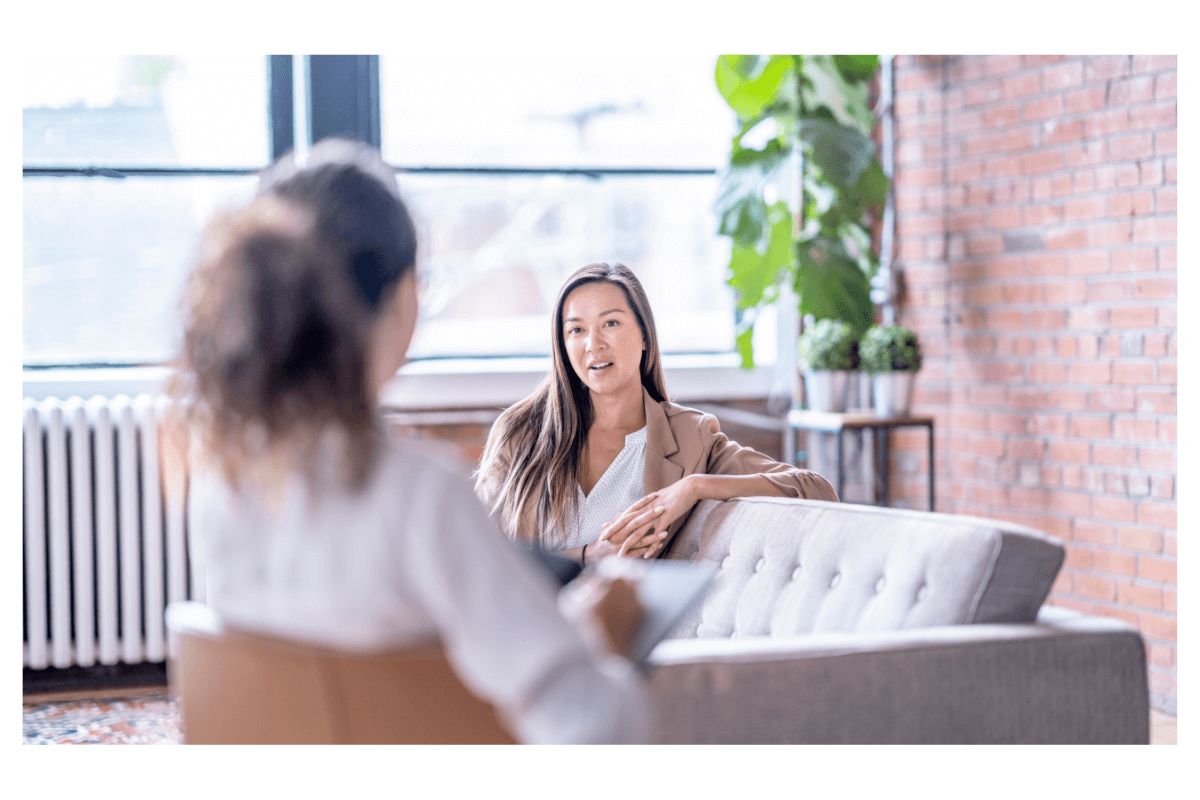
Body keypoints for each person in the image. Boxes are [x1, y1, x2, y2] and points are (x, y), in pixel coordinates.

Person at [175, 139, 651, 744]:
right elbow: (597, 726)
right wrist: (594, 637)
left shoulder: (222, 483)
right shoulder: (422, 496)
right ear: (404, 299)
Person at [475, 263, 839, 565]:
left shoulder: (690, 437)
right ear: (563, 345)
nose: (593, 343)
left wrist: (695, 486)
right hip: (530, 631)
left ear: (645, 335)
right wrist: (588, 556)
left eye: (611, 323)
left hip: (631, 637)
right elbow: (477, 557)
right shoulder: (519, 433)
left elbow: (816, 490)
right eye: (576, 330)